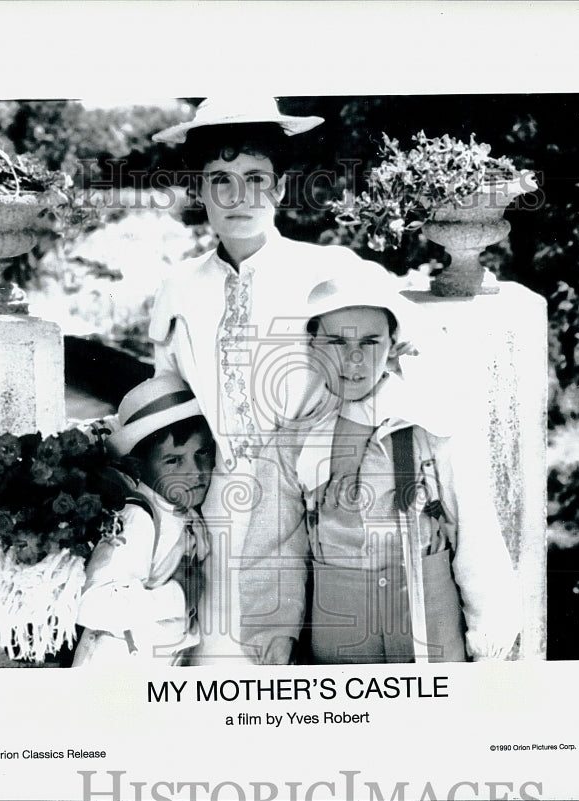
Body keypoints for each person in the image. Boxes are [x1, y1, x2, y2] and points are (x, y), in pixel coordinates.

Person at [149, 98, 396, 663]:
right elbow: (167, 403)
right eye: (220, 180)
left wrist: (343, 455)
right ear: (199, 190)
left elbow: (394, 362)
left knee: (305, 670)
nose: (239, 198)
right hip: (212, 509)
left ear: (281, 188)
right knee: (216, 665)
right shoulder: (179, 288)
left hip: (315, 501)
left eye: (256, 178)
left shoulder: (329, 272)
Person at [239, 272, 522, 664]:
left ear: (392, 347)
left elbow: (474, 531)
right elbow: (274, 549)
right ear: (312, 346)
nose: (353, 359)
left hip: (431, 629)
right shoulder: (295, 445)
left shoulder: (431, 427)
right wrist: (273, 636)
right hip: (341, 638)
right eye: (336, 342)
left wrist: (489, 633)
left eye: (369, 342)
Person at [72, 375, 215, 666]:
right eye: (174, 461)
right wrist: (179, 595)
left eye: (201, 454)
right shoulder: (138, 516)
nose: (195, 472)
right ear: (140, 466)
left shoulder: (179, 509)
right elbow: (90, 605)